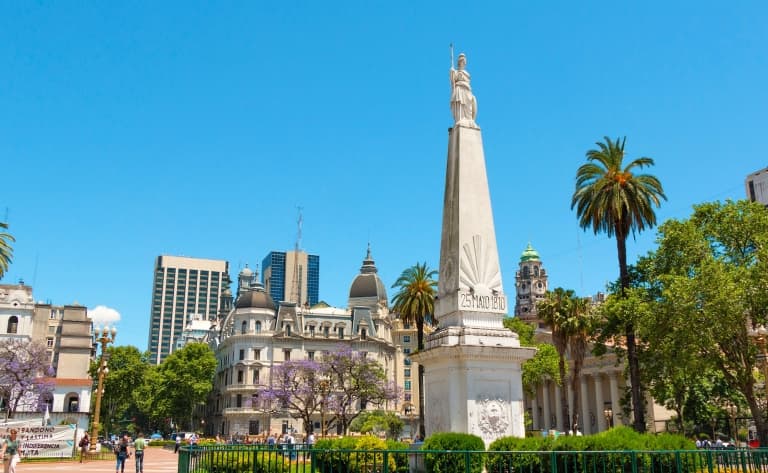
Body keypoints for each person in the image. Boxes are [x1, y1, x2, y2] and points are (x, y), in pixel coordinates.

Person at [449, 52, 478, 127]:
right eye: (462, 61)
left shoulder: (467, 73)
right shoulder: (456, 72)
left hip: (467, 91)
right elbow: (453, 82)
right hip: (459, 90)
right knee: (460, 104)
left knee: (470, 105)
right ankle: (460, 119)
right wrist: (452, 73)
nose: (464, 63)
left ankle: (469, 120)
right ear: (459, 62)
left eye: (464, 61)